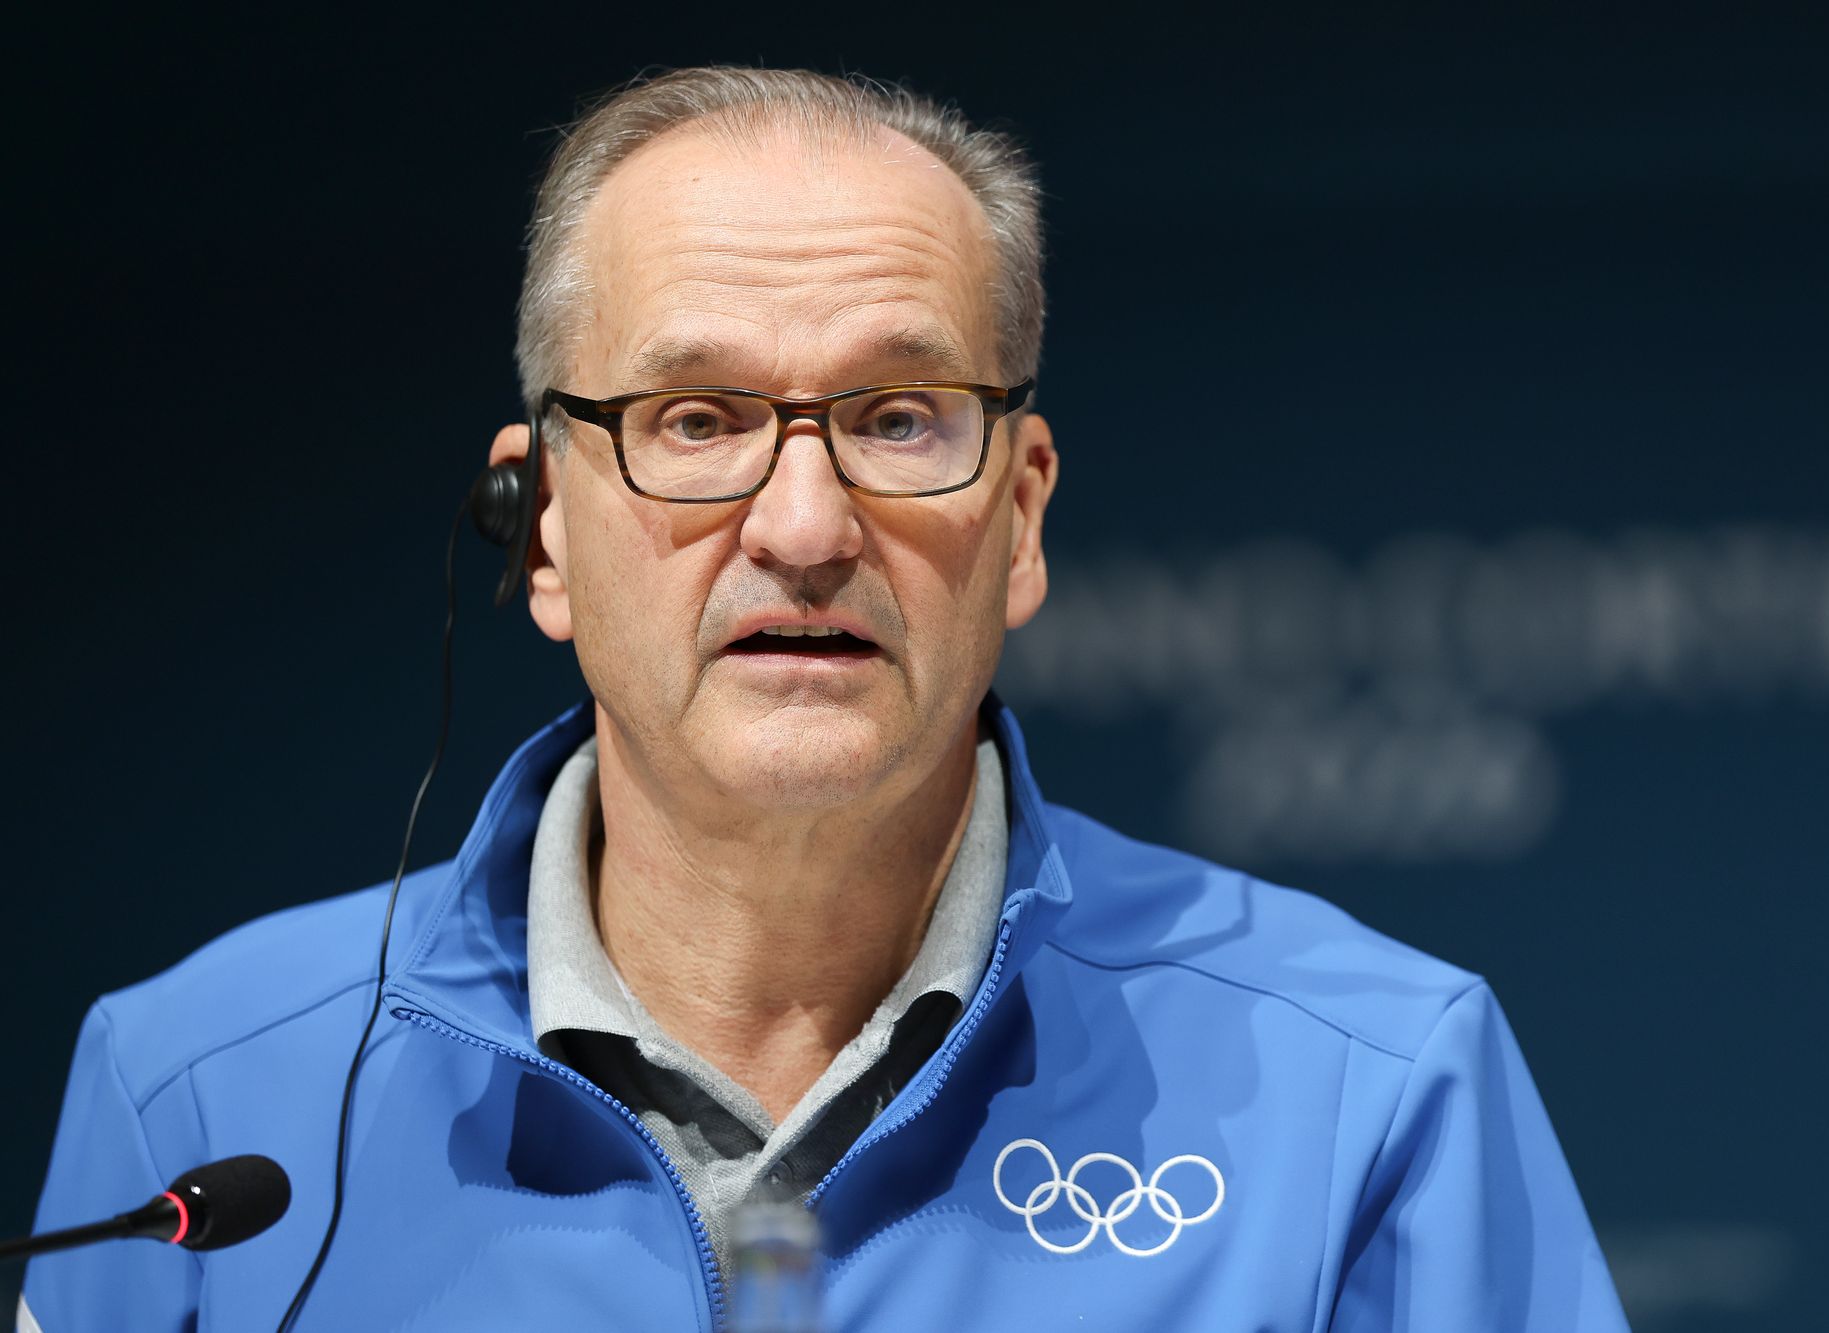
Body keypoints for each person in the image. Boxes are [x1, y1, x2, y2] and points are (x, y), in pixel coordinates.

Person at [21, 67, 1629, 1331]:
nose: (802, 526)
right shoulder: (199, 1095)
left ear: (1024, 514)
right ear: (544, 533)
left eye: (903, 415)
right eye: (700, 417)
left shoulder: (1373, 1090)